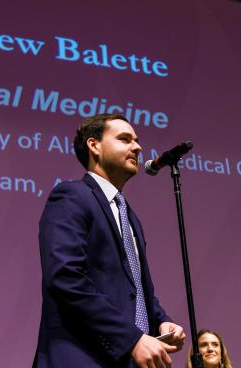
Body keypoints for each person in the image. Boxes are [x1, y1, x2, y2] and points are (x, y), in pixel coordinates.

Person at [32, 113, 186, 367]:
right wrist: (132, 338)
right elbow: (65, 277)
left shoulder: (130, 216)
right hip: (83, 357)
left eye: (136, 140)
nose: (138, 147)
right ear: (94, 145)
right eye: (125, 139)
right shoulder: (72, 196)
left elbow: (134, 287)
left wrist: (160, 320)